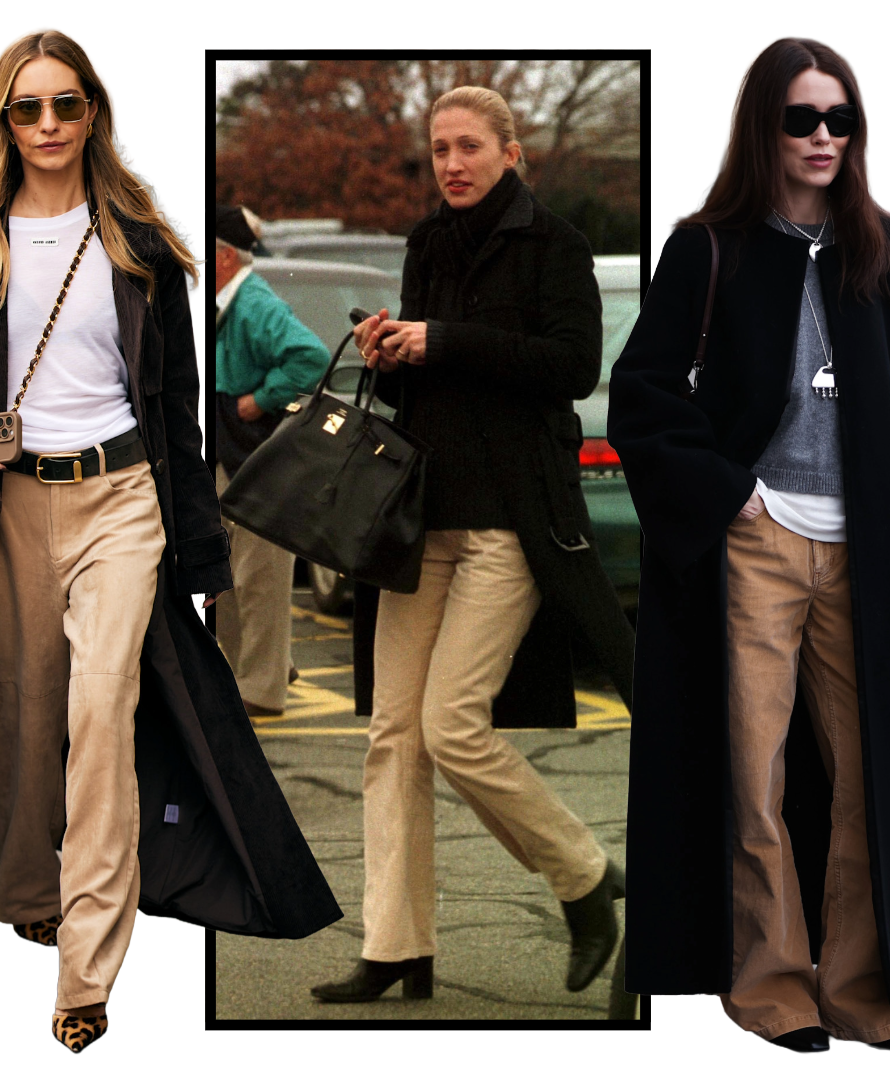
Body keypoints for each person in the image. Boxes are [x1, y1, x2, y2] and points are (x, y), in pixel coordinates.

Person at [0, 30, 340, 1053]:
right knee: (14, 716)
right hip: (7, 509)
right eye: (27, 108)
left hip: (122, 498)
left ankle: (87, 966)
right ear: (5, 119)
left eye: (66, 105)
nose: (48, 125)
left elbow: (176, 408)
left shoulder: (136, 235)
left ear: (94, 112)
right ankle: (31, 886)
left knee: (103, 711)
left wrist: (204, 559)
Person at [607, 38, 890, 1053]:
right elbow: (644, 397)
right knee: (751, 773)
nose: (823, 138)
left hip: (866, 558)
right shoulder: (708, 246)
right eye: (803, 119)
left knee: (867, 775)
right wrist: (730, 497)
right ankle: (769, 983)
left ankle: (860, 989)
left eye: (840, 119)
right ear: (766, 125)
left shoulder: (884, 248)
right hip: (756, 546)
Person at [310, 86, 635, 1005]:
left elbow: (572, 367)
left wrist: (444, 340)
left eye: (469, 147)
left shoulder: (556, 246)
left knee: (453, 725)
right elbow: (433, 377)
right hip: (421, 522)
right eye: (440, 149)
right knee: (392, 737)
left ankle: (583, 876)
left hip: (511, 526)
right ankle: (396, 945)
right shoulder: (425, 243)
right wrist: (390, 351)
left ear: (510, 152)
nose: (452, 163)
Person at [214, 204, 330, 715]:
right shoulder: (226, 300)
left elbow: (311, 357)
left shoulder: (252, 301)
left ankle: (261, 688)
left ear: (223, 256)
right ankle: (262, 672)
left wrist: (260, 398)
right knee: (235, 577)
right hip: (232, 450)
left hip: (254, 451)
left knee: (257, 577)